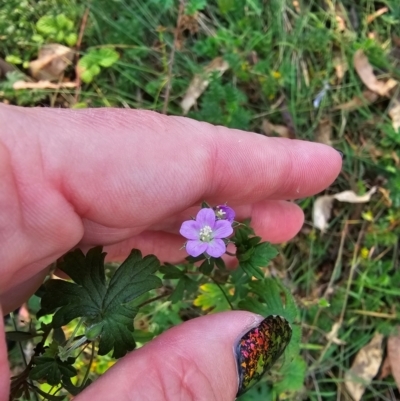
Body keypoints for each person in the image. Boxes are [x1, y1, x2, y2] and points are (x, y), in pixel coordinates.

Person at [0, 104, 342, 400]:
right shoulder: (200, 231)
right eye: (205, 231)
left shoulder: (217, 233)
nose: (207, 231)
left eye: (210, 232)